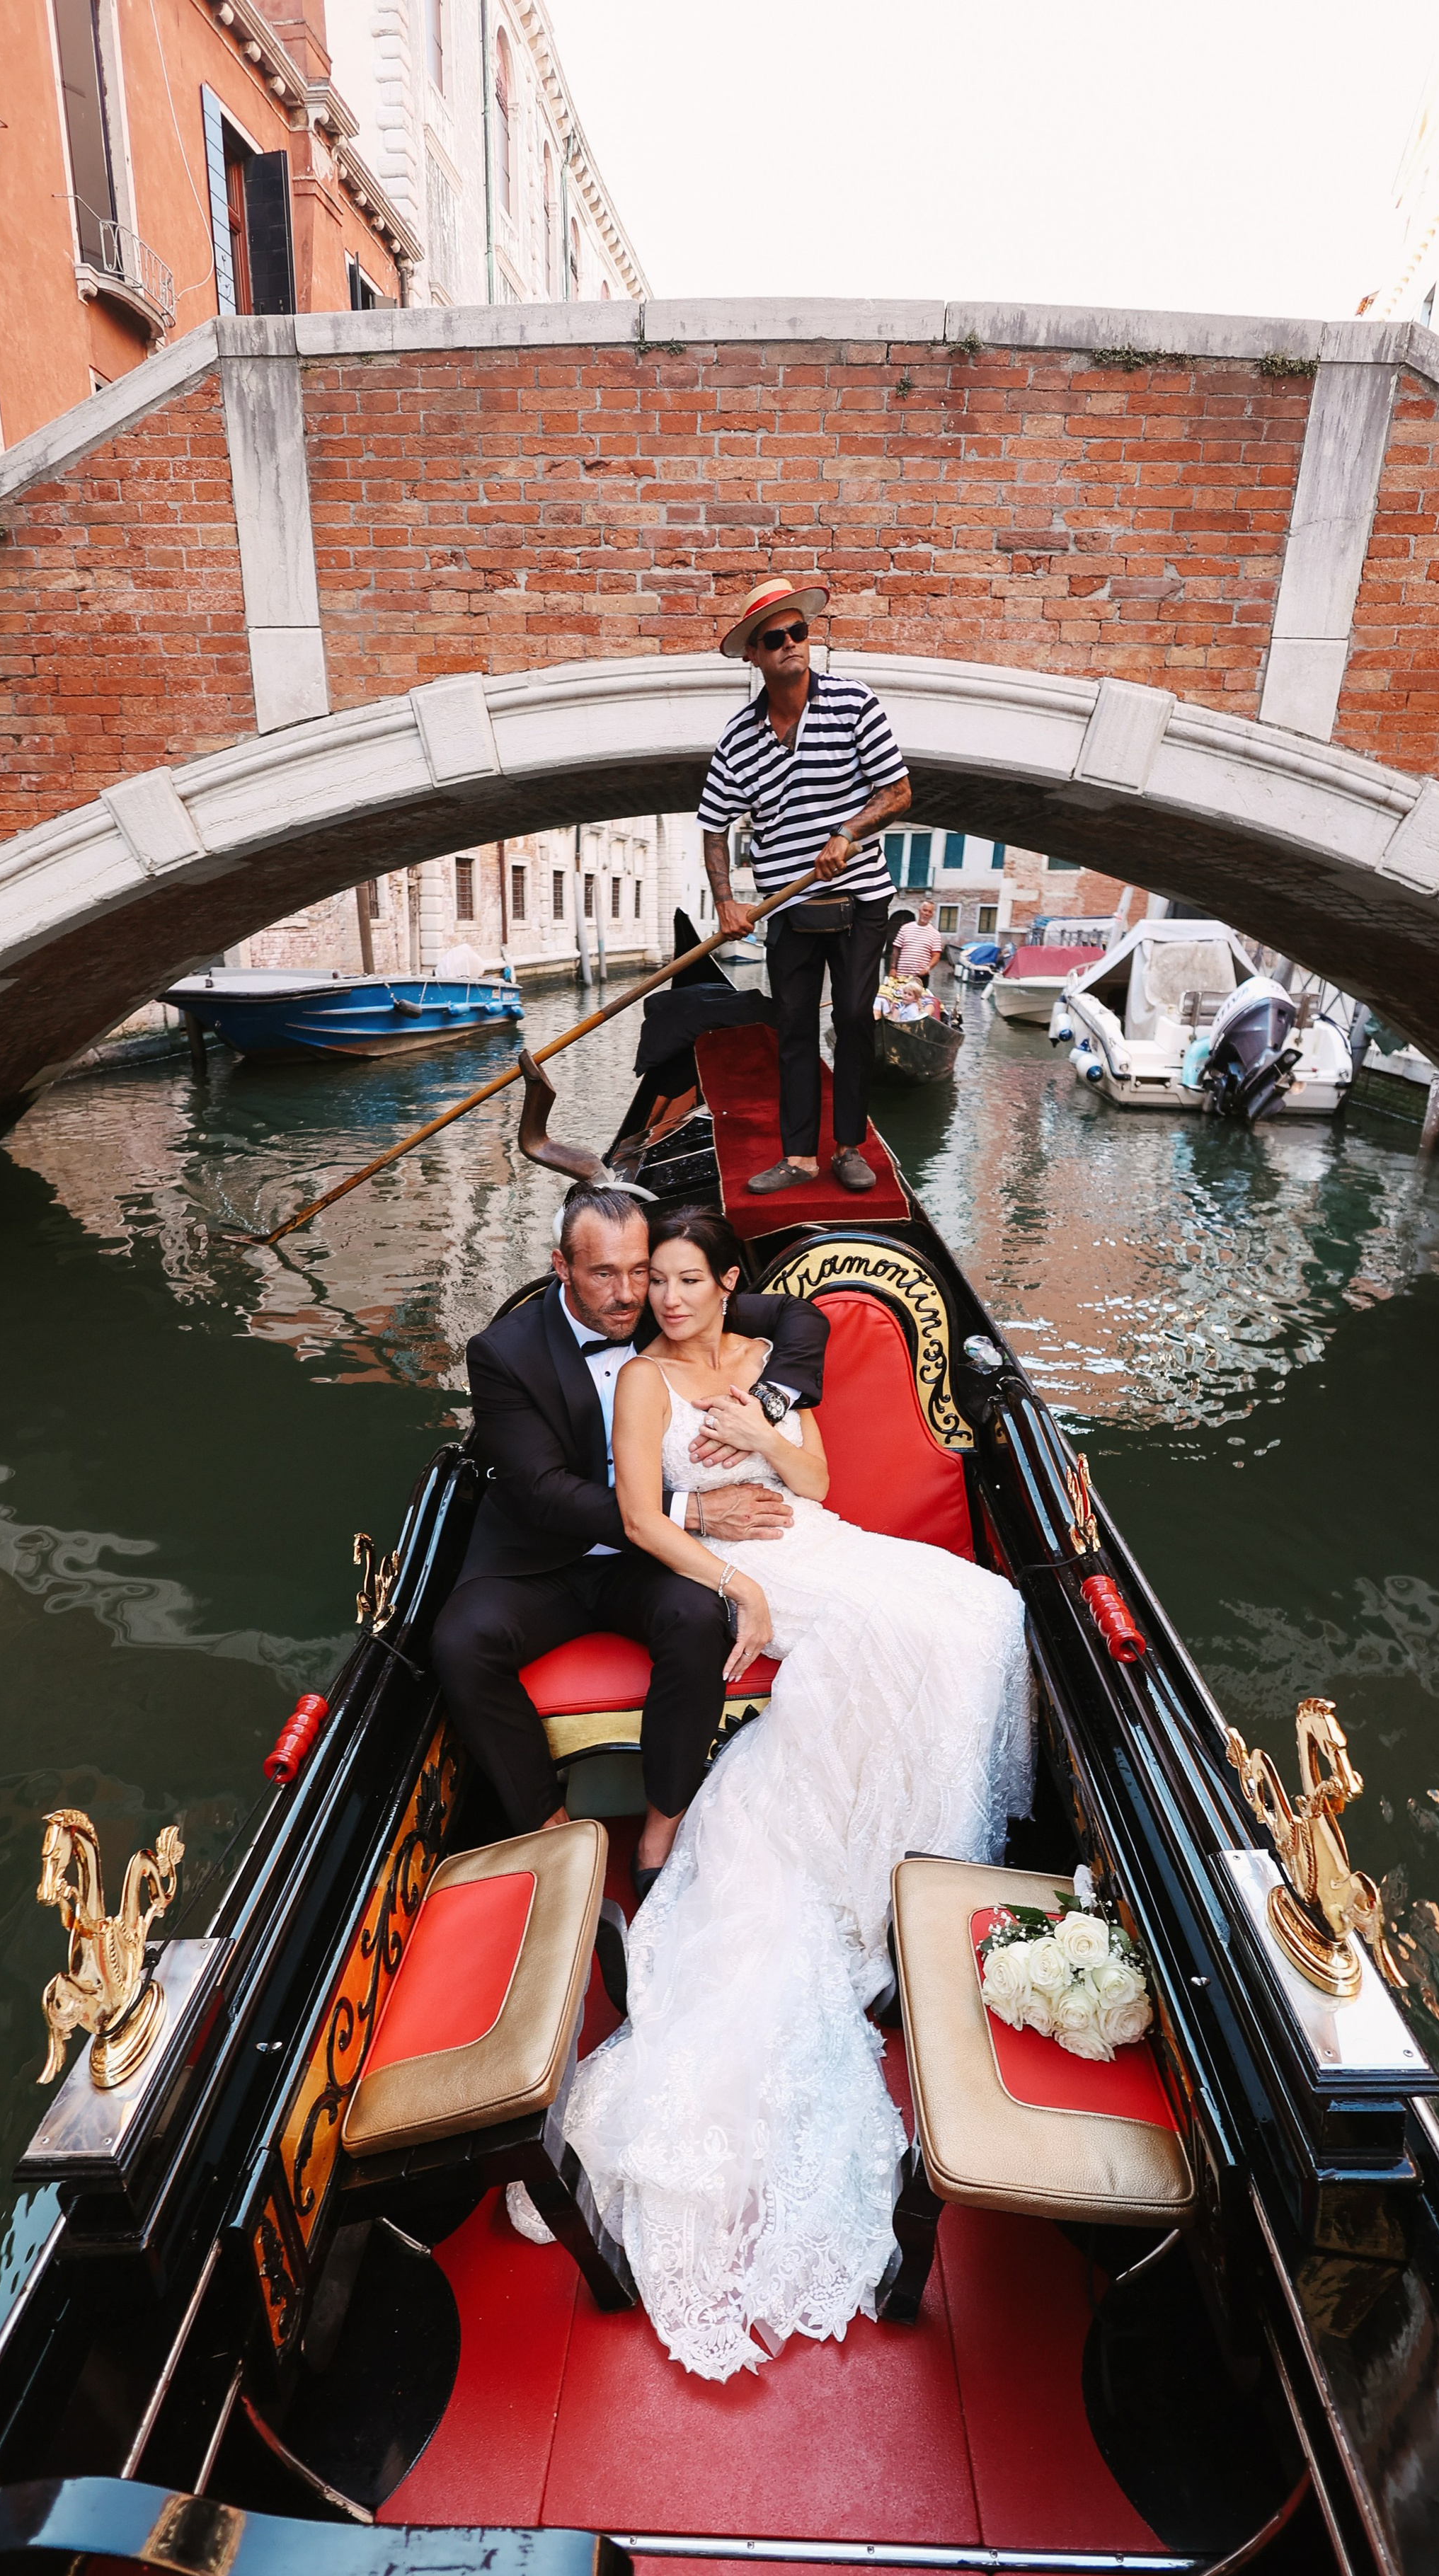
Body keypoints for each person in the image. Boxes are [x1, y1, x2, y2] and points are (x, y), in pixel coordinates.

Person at [553, 1202, 1033, 2382]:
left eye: (681, 1280)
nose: (662, 1300)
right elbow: (632, 1520)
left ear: (724, 1285)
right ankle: (858, 1871)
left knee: (985, 1612)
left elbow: (814, 1472)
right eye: (650, 1282)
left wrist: (758, 1432)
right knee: (910, 1630)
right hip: (744, 1561)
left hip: (817, 1533)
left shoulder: (769, 1361)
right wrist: (729, 1568)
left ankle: (900, 1864)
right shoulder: (638, 1390)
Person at [430, 1185, 829, 1892]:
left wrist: (768, 1406)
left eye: (638, 1271)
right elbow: (541, 1491)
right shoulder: (501, 1351)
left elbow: (801, 1319)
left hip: (644, 1562)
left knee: (695, 1615)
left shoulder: (665, 1296)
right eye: (602, 1275)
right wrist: (692, 1513)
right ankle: (552, 1834)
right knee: (460, 1642)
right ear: (562, 1266)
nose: (628, 1296)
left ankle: (658, 1829)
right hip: (543, 1559)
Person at [698, 575, 914, 1197]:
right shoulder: (738, 740)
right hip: (789, 908)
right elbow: (715, 826)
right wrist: (726, 902)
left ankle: (848, 1147)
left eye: (799, 632)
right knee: (792, 1028)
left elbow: (897, 792)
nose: (791, 643)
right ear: (754, 655)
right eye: (775, 638)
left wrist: (847, 833)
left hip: (862, 895)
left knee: (851, 1016)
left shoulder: (853, 703)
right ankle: (799, 1157)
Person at [891, 898, 944, 984]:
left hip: (920, 977)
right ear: (920, 911)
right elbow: (896, 949)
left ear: (932, 915)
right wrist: (893, 968)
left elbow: (936, 956)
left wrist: (928, 968)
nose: (927, 914)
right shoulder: (905, 928)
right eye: (925, 910)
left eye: (930, 912)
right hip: (901, 975)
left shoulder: (935, 934)